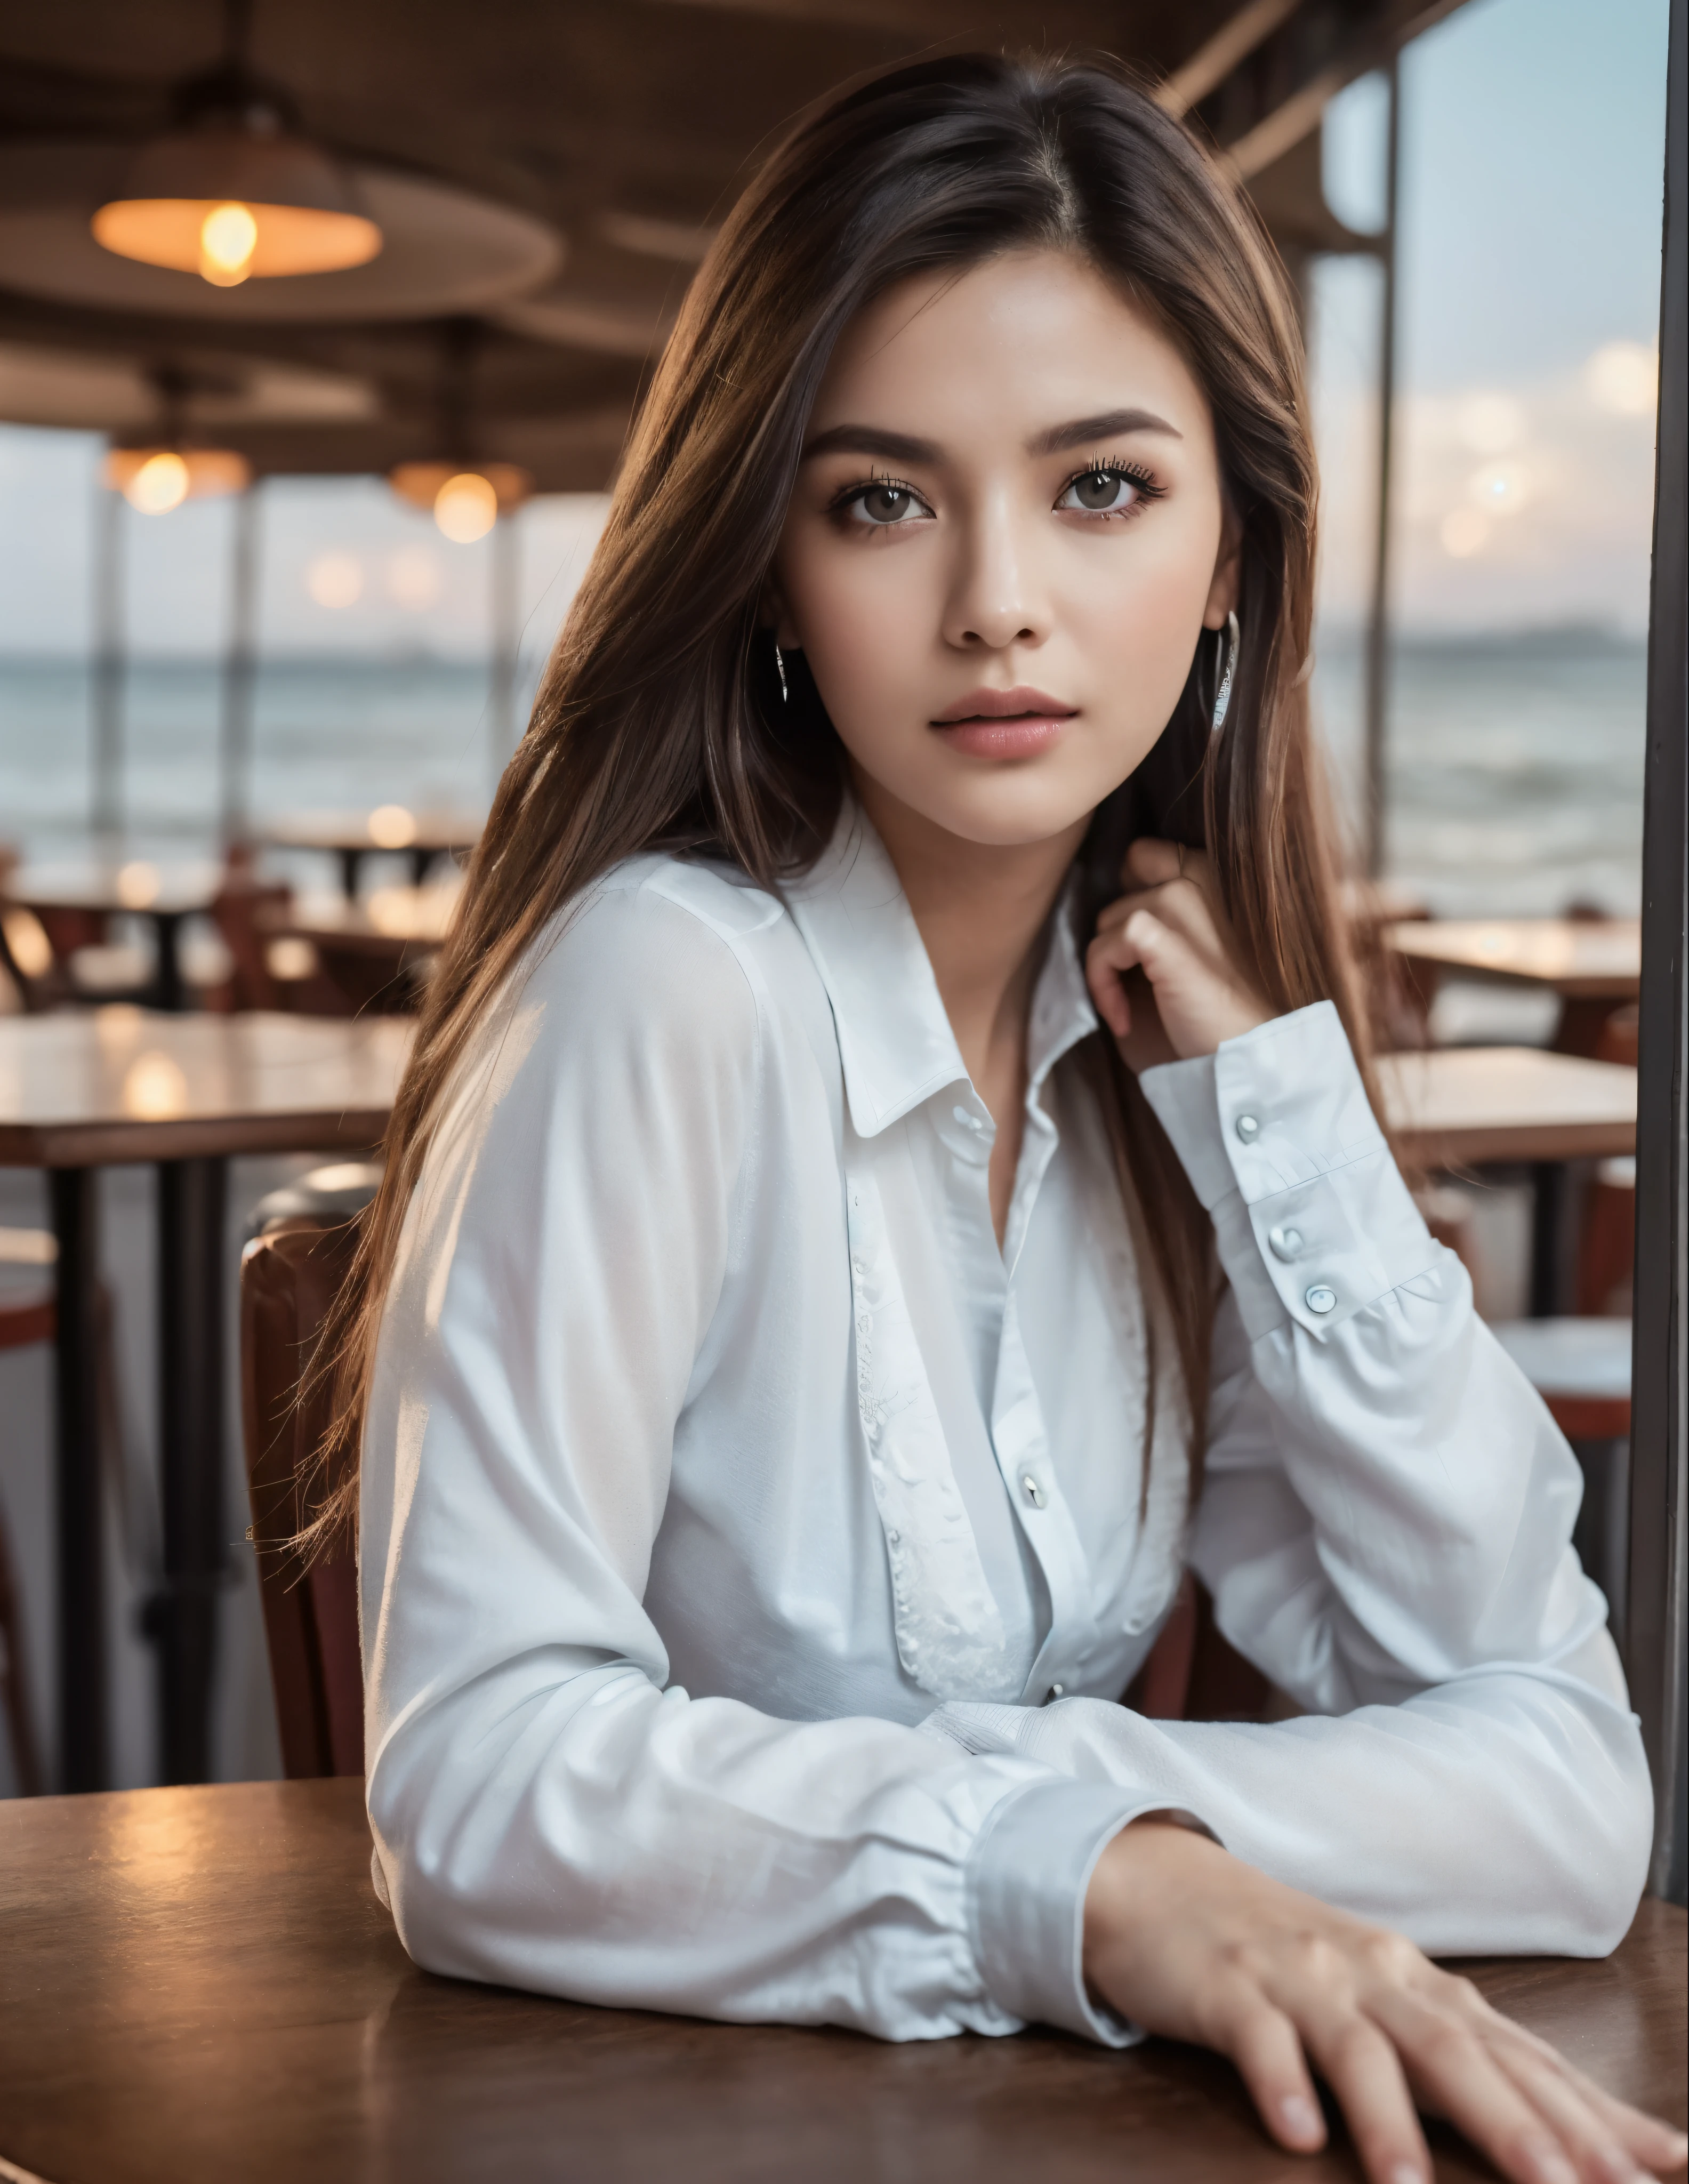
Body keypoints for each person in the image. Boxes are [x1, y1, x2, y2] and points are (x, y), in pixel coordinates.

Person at [315, 54, 1683, 2184]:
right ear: (768, 565)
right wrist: (1105, 1880)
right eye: (881, 498)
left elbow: (1564, 1782)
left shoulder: (1150, 1076)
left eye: (1104, 487)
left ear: (1238, 550)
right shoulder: (663, 988)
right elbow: (478, 1786)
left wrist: (1279, 1113)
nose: (996, 602)